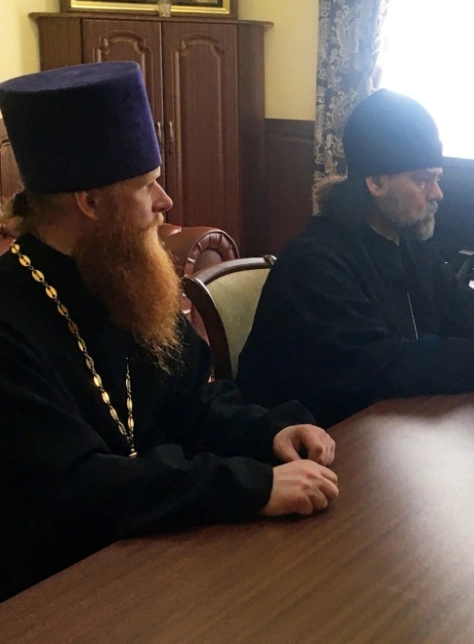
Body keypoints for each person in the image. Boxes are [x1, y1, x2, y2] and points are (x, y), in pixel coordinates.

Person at [0, 63, 339, 602]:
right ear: (90, 203)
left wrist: (268, 433)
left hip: (153, 555)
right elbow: (76, 486)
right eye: (146, 185)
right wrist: (250, 487)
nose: (166, 201)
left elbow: (195, 399)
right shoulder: (10, 318)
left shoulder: (120, 278)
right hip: (58, 591)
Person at [238, 89, 474, 427]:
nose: (437, 193)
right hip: (312, 439)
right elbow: (377, 363)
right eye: (423, 180)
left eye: (437, 179)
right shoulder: (317, 260)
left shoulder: (408, 242)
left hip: (388, 425)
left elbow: (459, 305)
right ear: (376, 182)